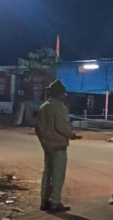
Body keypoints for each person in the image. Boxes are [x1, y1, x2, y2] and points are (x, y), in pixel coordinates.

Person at [35, 80, 81, 213]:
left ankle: (44, 201)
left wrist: (44, 140)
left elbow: (38, 128)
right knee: (58, 175)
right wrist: (72, 135)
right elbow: (60, 126)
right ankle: (55, 202)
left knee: (47, 173)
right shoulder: (60, 108)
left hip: (46, 145)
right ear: (59, 94)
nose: (65, 96)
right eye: (64, 93)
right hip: (58, 145)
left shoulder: (43, 107)